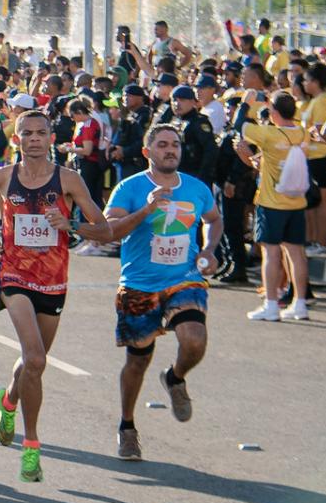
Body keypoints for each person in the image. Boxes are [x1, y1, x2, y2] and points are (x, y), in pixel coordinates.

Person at [0, 110, 153, 483]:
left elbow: (105, 231)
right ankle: (32, 448)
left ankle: (8, 402)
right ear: (18, 139)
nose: (35, 139)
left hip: (54, 280)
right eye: (27, 133)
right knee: (36, 358)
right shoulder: (3, 175)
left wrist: (70, 224)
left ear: (51, 137)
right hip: (14, 275)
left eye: (41, 133)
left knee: (33, 363)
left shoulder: (69, 180)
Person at [105, 124, 220, 462]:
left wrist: (210, 249)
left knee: (194, 339)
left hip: (184, 278)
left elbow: (213, 219)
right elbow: (111, 230)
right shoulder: (130, 187)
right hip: (140, 284)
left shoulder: (196, 189)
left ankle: (175, 377)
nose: (171, 150)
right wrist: (147, 210)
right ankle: (127, 427)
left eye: (175, 145)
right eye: (162, 145)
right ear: (147, 152)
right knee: (137, 362)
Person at [238, 91, 311, 321]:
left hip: (272, 202)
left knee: (271, 252)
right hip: (297, 202)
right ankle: (300, 303)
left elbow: (241, 127)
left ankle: (271, 304)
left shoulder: (269, 133)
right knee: (296, 252)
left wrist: (245, 104)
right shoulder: (302, 132)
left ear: (274, 112)